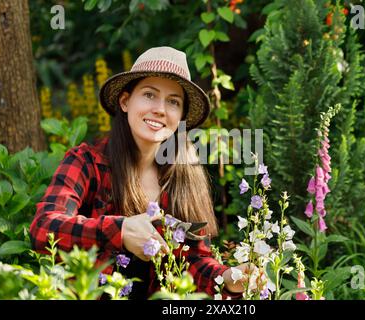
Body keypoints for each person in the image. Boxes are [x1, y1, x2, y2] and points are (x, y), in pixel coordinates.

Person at [29, 46, 252, 299]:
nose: (160, 109)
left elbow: (194, 260)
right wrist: (120, 231)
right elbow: (43, 228)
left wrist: (229, 278)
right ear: (125, 101)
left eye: (173, 102)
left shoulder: (184, 176)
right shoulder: (87, 162)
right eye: (149, 94)